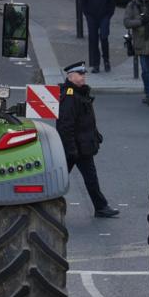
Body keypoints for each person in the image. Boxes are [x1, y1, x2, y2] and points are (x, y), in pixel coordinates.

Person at [55, 62, 119, 218]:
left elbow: (85, 121)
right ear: (71, 77)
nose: (83, 76)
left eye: (84, 74)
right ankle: (100, 207)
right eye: (80, 74)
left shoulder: (79, 93)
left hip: (81, 146)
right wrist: (71, 150)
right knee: (60, 180)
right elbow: (65, 126)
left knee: (87, 178)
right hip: (75, 148)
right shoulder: (70, 96)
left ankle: (101, 207)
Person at [79, 0, 115, 73]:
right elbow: (83, 1)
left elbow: (112, 2)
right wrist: (87, 14)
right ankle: (96, 64)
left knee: (104, 38)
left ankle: (106, 61)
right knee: (93, 40)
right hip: (92, 17)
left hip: (104, 16)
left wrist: (108, 15)